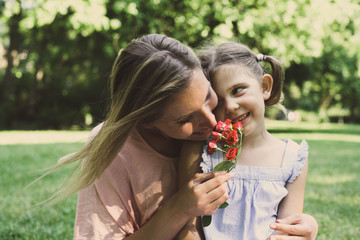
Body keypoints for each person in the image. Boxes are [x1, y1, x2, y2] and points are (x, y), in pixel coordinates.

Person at [45, 34, 317, 240]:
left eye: (208, 97)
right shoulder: (116, 152)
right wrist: (180, 208)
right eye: (186, 119)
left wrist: (306, 227)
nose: (213, 121)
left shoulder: (227, 143)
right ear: (148, 123)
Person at [177, 42, 317, 240]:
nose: (231, 106)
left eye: (238, 90)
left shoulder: (292, 158)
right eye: (219, 101)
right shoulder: (200, 150)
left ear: (265, 87)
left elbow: (287, 231)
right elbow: (187, 228)